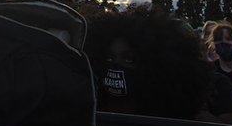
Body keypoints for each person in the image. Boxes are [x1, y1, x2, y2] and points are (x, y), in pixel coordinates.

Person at [85, 9, 214, 120]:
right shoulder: (87, 120)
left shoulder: (168, 124)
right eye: (109, 58)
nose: (117, 65)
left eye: (129, 59)